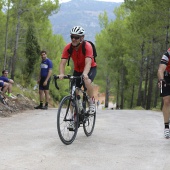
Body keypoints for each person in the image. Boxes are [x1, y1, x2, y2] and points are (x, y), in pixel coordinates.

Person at [58, 26, 97, 114]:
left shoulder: (87, 46)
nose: (74, 39)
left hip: (90, 68)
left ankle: (91, 102)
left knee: (87, 81)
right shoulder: (68, 47)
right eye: (72, 37)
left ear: (82, 38)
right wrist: (61, 73)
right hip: (77, 70)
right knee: (73, 93)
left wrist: (85, 74)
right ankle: (73, 117)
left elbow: (88, 63)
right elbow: (62, 63)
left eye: (76, 37)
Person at [157, 47, 170, 138]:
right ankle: (166, 127)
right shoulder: (167, 54)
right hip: (166, 76)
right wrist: (161, 79)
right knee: (166, 100)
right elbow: (160, 70)